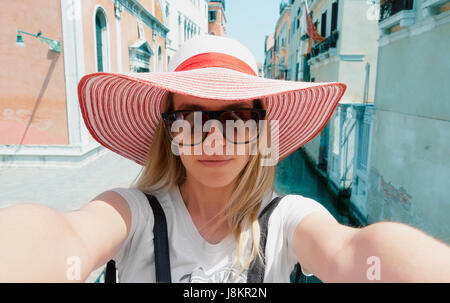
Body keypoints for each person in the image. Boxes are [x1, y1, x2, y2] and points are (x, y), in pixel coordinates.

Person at [1, 35, 449, 283]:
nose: (213, 139)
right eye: (192, 118)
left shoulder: (289, 220)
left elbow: (353, 253)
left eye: (235, 117)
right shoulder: (132, 214)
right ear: (171, 131)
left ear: (258, 131)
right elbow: (68, 237)